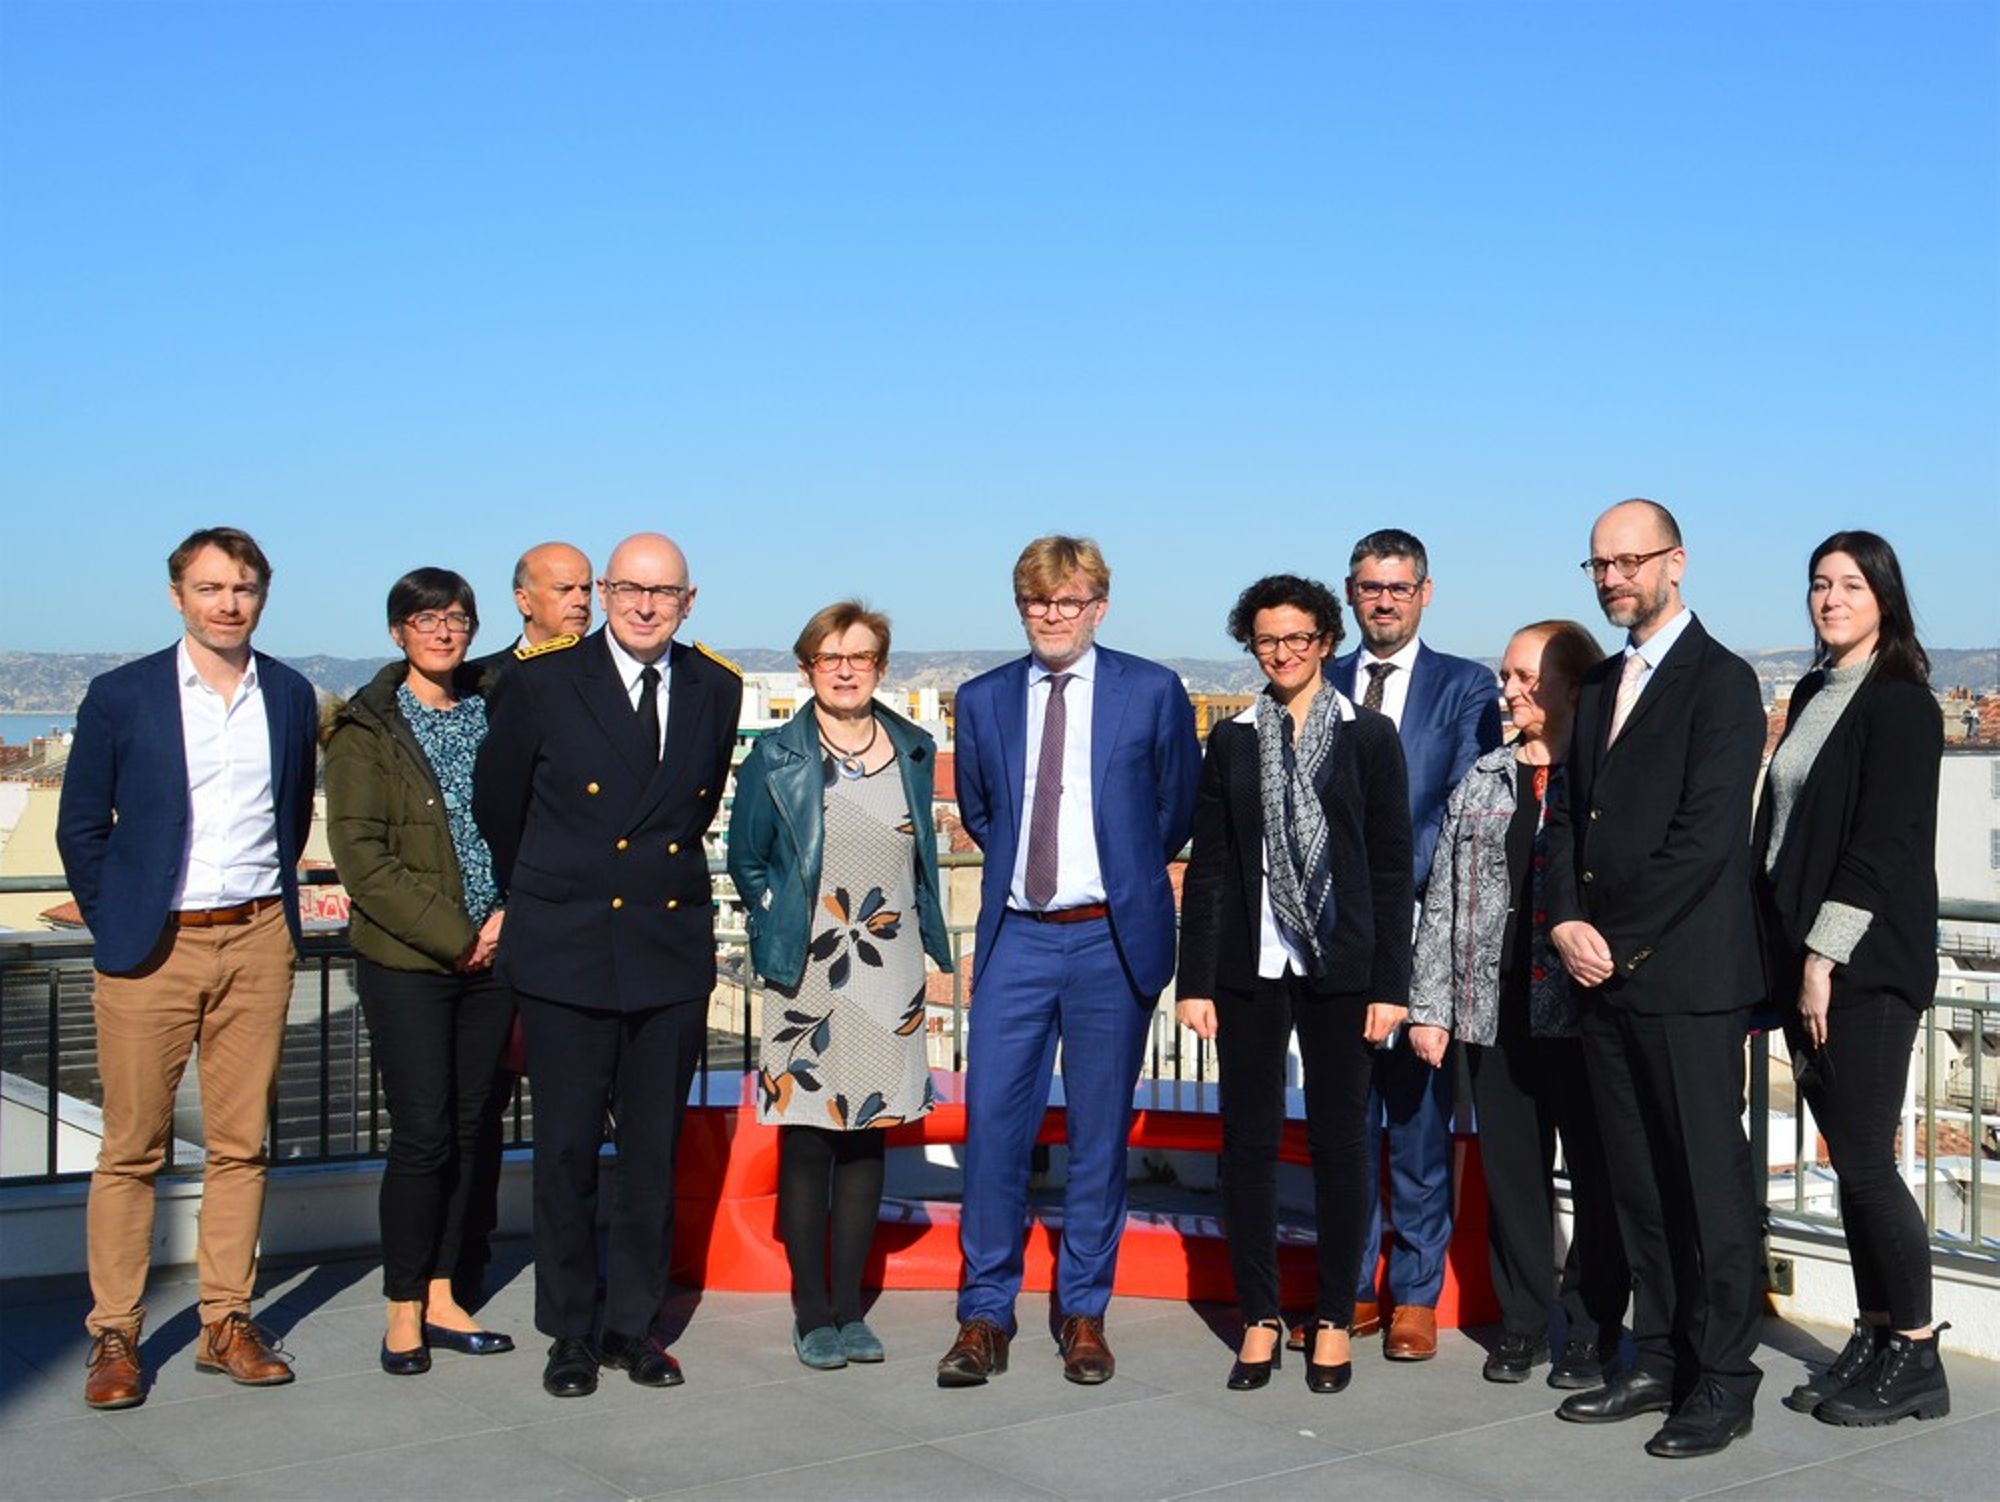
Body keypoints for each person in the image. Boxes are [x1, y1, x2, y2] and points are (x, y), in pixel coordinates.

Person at [473, 531, 742, 1399]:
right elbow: (499, 808)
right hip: (569, 948)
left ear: (689, 601)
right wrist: (561, 895)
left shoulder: (718, 687)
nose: (644, 605)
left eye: (664, 592)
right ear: (606, 589)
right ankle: (571, 1333)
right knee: (566, 1156)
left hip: (666, 953)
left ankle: (634, 1325)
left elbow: (691, 812)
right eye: (627, 587)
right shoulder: (542, 681)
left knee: (654, 1155)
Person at [56, 526, 317, 1410]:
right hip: (151, 948)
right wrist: (118, 917)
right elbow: (81, 827)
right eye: (210, 588)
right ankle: (115, 1336)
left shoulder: (286, 695)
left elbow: (286, 816)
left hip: (256, 938)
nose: (228, 602)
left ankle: (225, 1322)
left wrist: (276, 918)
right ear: (177, 596)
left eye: (243, 588)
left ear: (262, 597)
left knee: (243, 1145)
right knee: (133, 1147)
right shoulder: (121, 695)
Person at [935, 535, 1201, 1388]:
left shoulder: (1153, 691)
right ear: (1021, 608)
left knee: (1096, 1138)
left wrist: (1116, 880)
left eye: (1069, 600)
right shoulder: (981, 700)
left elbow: (1173, 809)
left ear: (1099, 606)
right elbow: (982, 811)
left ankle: (1083, 1311)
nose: (1052, 615)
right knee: (995, 1135)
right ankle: (984, 1314)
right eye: (1036, 602)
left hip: (1109, 941)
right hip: (1016, 938)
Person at [1545, 498, 1767, 1459]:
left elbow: (1706, 839)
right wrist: (1563, 921)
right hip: (1602, 980)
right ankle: (1660, 1356)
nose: (1612, 579)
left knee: (1708, 1189)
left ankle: (1724, 1377)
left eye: (1629, 562)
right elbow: (1565, 823)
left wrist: (1612, 937)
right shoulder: (1596, 687)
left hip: (1687, 981)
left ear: (1676, 563)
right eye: (1598, 565)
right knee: (1633, 1185)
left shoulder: (1724, 684)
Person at [1175, 575, 1413, 1395]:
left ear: (1326, 641)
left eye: (1299, 638)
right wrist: (1195, 979)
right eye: (1267, 640)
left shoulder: (1369, 737)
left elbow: (1388, 866)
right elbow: (1211, 865)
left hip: (1342, 967)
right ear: (1253, 645)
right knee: (1247, 1144)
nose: (1283, 653)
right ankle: (1260, 1316)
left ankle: (1335, 1317)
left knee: (1340, 1142)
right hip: (1250, 966)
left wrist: (1391, 983)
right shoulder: (1232, 739)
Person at [728, 602, 954, 1370]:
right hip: (807, 970)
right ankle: (810, 1310)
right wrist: (774, 926)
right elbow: (747, 857)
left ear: (881, 667)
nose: (847, 669)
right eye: (831, 658)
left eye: (860, 656)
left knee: (866, 1146)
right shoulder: (777, 756)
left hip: (889, 964)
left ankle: (849, 1308)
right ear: (808, 671)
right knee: (808, 1143)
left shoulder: (914, 748)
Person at [1755, 532, 1947, 1426]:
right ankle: (1874, 1332)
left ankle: (1915, 1351)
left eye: (1849, 585)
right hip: (1809, 964)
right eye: (1819, 584)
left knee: (1866, 1165)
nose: (1830, 598)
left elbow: (1881, 845)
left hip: (1864, 966)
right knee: (1853, 1169)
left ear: (1883, 597)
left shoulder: (1902, 703)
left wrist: (1824, 960)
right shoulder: (1811, 692)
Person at [1406, 621, 1628, 1388]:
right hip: (1492, 1011)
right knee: (1512, 1175)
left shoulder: (1602, 777)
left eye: (1526, 677)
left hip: (1583, 1013)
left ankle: (1593, 1326)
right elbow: (1442, 898)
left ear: (1573, 682)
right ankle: (1524, 1322)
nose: (1510, 690)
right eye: (1506, 676)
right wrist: (1430, 1006)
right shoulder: (1485, 777)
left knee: (1598, 1176)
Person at [324, 568, 519, 1375]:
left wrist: (507, 918)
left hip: (500, 952)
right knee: (423, 1134)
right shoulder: (366, 727)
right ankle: (402, 1309)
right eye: (426, 618)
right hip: (409, 958)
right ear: (398, 630)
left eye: (458, 617)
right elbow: (360, 859)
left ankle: (445, 1292)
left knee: (475, 1129)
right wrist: (456, 935)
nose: (445, 631)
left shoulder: (495, 707)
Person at [1322, 529, 1501, 1361]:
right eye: (1369, 587)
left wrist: (1384, 885)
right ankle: (1351, 1285)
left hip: (1424, 940)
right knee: (1344, 1123)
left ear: (1425, 592)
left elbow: (1464, 807)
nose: (1383, 600)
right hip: (1330, 942)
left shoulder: (1466, 687)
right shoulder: (1316, 679)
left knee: (1419, 1122)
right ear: (1351, 594)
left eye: (1398, 586)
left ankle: (1415, 1294)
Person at [472, 541, 594, 672]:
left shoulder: (611, 669)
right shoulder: (478, 678)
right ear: (524, 601)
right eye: (564, 590)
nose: (581, 601)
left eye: (586, 589)